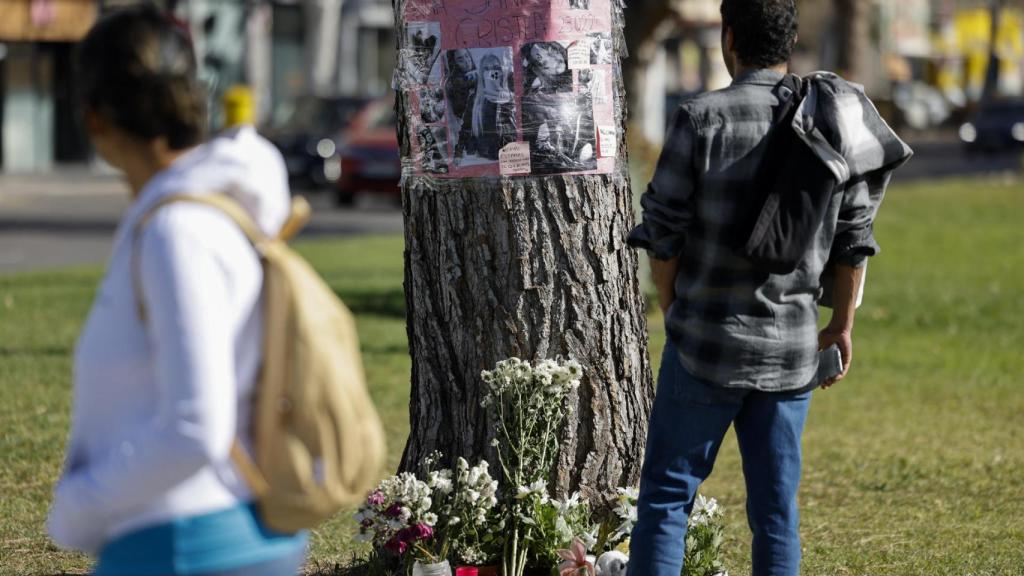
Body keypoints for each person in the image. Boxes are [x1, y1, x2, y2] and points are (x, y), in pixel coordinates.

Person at [625, 1, 911, 575]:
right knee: (777, 514)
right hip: (790, 353)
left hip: (703, 344)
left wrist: (676, 305)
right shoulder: (832, 118)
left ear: (729, 37)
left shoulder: (699, 117)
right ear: (791, 41)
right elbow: (855, 238)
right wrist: (842, 325)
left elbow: (661, 231)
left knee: (665, 499)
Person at [45, 6, 306, 575]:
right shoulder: (213, 211)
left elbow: (195, 427)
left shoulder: (177, 231)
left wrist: (75, 508)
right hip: (230, 531)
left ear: (93, 118)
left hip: (186, 545)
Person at [457, 53, 516, 162]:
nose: (491, 73)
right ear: (481, 73)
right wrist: (458, 154)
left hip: (508, 158)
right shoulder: (475, 100)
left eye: (495, 68)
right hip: (483, 157)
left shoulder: (511, 98)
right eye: (486, 69)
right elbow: (465, 129)